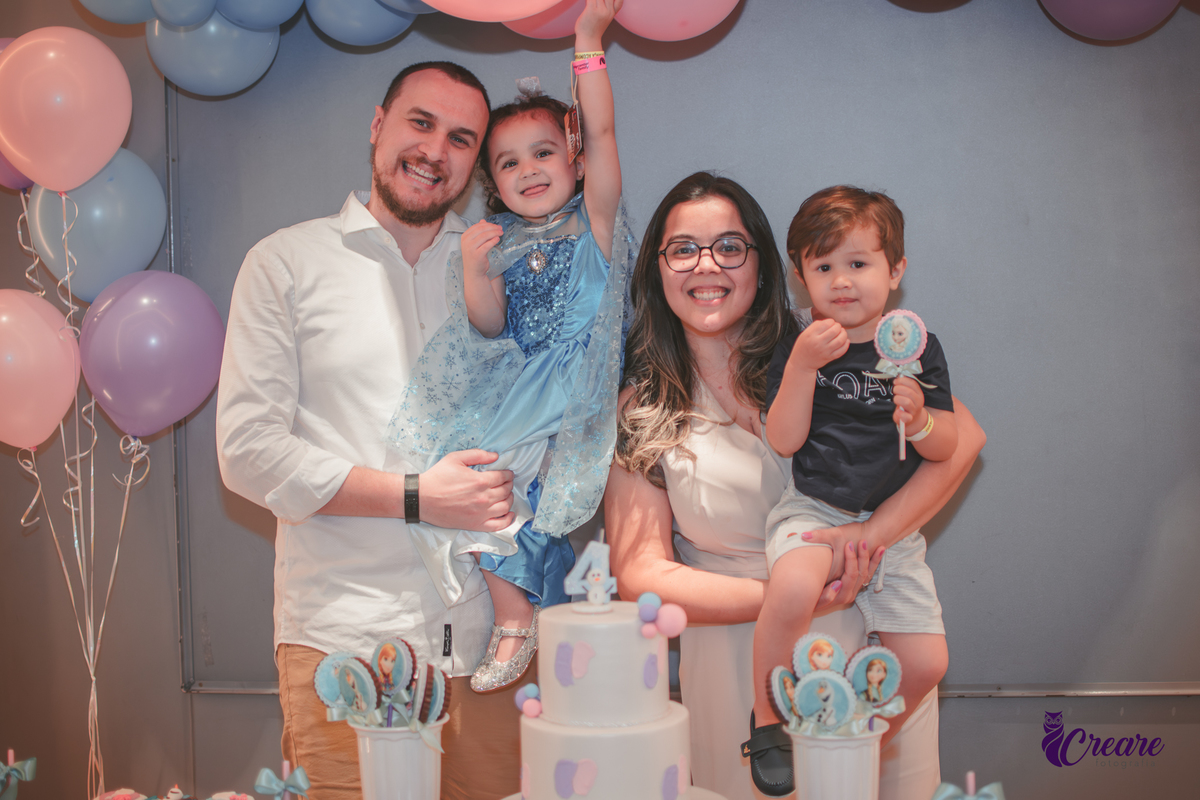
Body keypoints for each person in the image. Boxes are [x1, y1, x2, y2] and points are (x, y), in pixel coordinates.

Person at [605, 172, 986, 800]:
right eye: (683, 249)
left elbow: (961, 440)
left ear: (763, 264)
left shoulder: (822, 344)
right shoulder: (641, 406)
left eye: (730, 246)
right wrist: (795, 597)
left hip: (871, 650)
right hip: (742, 667)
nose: (707, 265)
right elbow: (640, 575)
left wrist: (869, 538)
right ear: (657, 268)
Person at [216, 62, 527, 800]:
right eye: (420, 123)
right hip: (344, 643)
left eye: (461, 138)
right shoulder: (286, 263)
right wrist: (418, 496)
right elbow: (249, 454)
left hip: (488, 650)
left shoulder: (497, 271)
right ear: (377, 125)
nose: (434, 151)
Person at [385, 0, 632, 694]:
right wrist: (471, 266)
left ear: (577, 160)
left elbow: (606, 129)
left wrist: (588, 38)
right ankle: (529, 617)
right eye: (509, 162)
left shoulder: (597, 225)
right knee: (477, 494)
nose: (529, 170)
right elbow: (490, 325)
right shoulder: (500, 240)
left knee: (496, 494)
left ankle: (517, 621)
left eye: (545, 153)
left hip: (574, 390)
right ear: (493, 182)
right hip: (522, 391)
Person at [750, 186, 958, 787]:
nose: (841, 281)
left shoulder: (919, 349)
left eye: (859, 264)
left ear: (895, 271)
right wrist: (802, 367)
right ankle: (768, 720)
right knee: (790, 593)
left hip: (894, 525)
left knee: (927, 659)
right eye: (823, 267)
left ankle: (846, 737)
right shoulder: (801, 346)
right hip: (813, 507)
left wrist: (919, 420)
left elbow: (945, 449)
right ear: (800, 278)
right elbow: (784, 440)